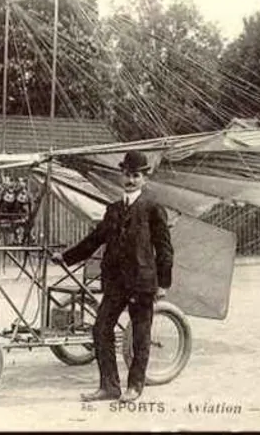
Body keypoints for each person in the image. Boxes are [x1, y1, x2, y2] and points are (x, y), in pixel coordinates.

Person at [51, 150, 174, 403]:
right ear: (122, 176)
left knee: (140, 335)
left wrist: (164, 282)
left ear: (144, 179)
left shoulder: (154, 209)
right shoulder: (113, 209)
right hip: (116, 282)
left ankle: (135, 386)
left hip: (142, 282)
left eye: (135, 176)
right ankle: (109, 386)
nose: (130, 180)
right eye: (127, 175)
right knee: (100, 329)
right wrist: (67, 257)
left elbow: (164, 248)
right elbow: (95, 239)